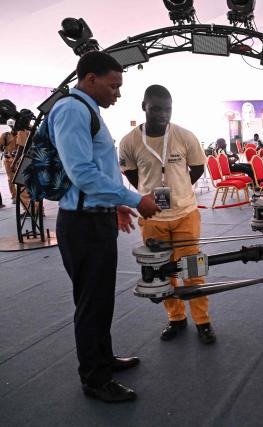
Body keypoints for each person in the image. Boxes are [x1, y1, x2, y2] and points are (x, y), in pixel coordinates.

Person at [50, 51, 161, 403]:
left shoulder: (89, 110)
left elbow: (100, 170)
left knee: (99, 300)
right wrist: (132, 200)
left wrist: (115, 206)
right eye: (113, 86)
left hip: (96, 218)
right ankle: (95, 379)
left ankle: (104, 359)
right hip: (82, 226)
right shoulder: (72, 110)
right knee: (91, 302)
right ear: (90, 79)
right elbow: (81, 173)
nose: (117, 93)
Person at [119, 85, 216, 345]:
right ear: (144, 107)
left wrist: (181, 191)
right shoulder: (129, 141)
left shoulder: (185, 136)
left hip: (186, 214)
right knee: (163, 271)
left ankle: (203, 321)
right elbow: (132, 175)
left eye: (168, 109)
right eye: (156, 108)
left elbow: (196, 169)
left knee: (193, 270)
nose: (163, 114)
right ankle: (176, 318)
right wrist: (148, 193)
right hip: (153, 220)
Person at [1, 119, 19, 204]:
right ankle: (14, 196)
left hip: (19, 159)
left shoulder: (22, 134)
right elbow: (1, 147)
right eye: (12, 126)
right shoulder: (5, 135)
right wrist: (6, 152)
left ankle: (23, 197)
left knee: (21, 179)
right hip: (8, 160)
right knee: (11, 179)